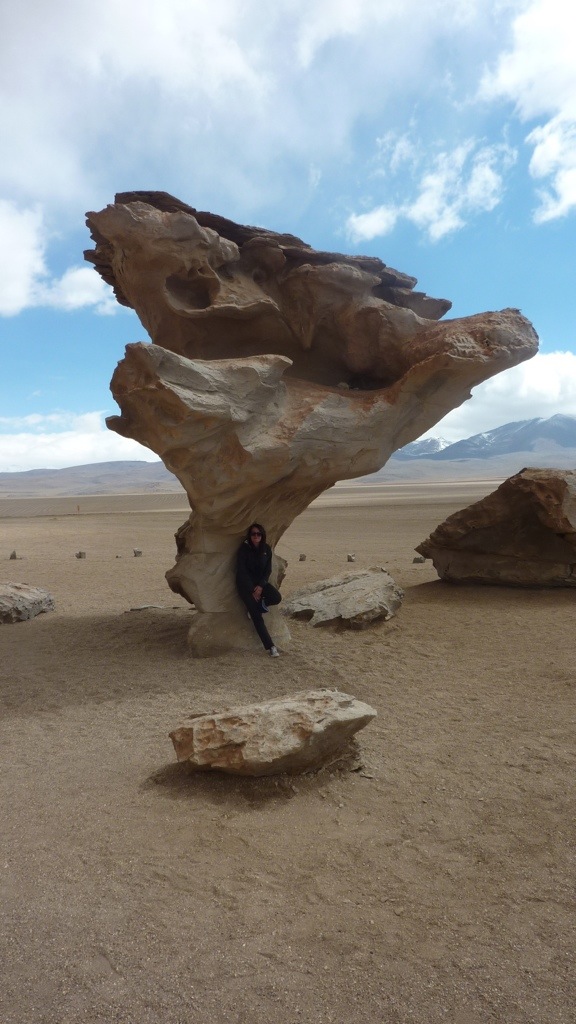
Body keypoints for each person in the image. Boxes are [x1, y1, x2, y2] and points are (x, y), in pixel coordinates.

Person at [236, 522, 282, 657]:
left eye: (258, 534)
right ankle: (271, 647)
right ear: (249, 536)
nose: (256, 536)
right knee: (257, 616)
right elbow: (242, 571)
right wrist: (252, 590)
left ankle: (260, 605)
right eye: (253, 534)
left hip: (260, 584)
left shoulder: (266, 549)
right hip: (245, 586)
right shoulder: (244, 549)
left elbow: (267, 570)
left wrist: (261, 586)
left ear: (262, 535)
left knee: (276, 597)